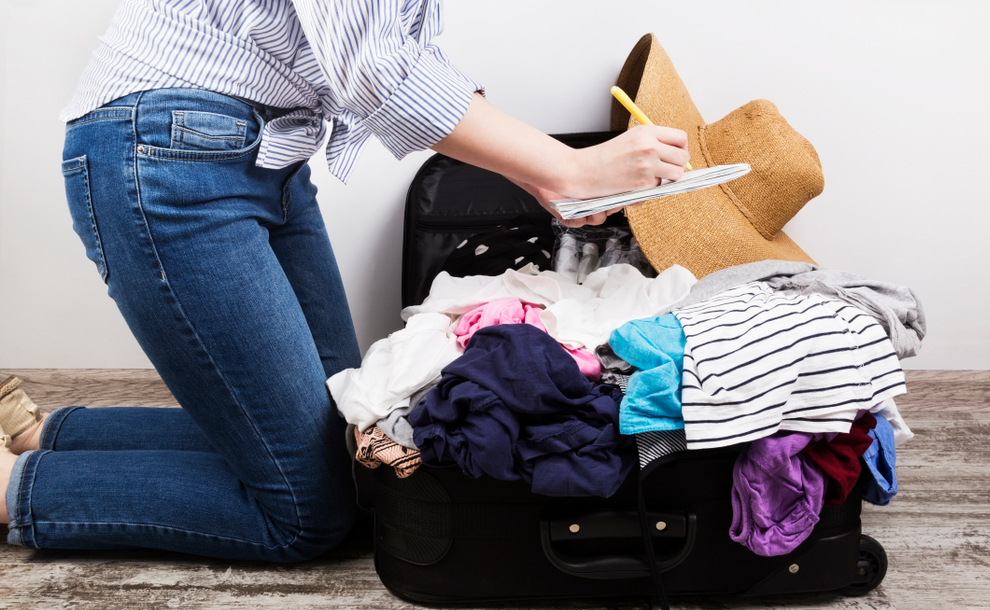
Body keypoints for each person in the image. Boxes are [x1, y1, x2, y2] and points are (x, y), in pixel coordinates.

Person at [0, 0, 688, 562]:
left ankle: (38, 435)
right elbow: (374, 68)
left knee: (348, 433)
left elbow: (398, 51)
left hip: (258, 157)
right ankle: (10, 488)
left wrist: (540, 175)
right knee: (306, 514)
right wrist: (562, 167)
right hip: (168, 153)